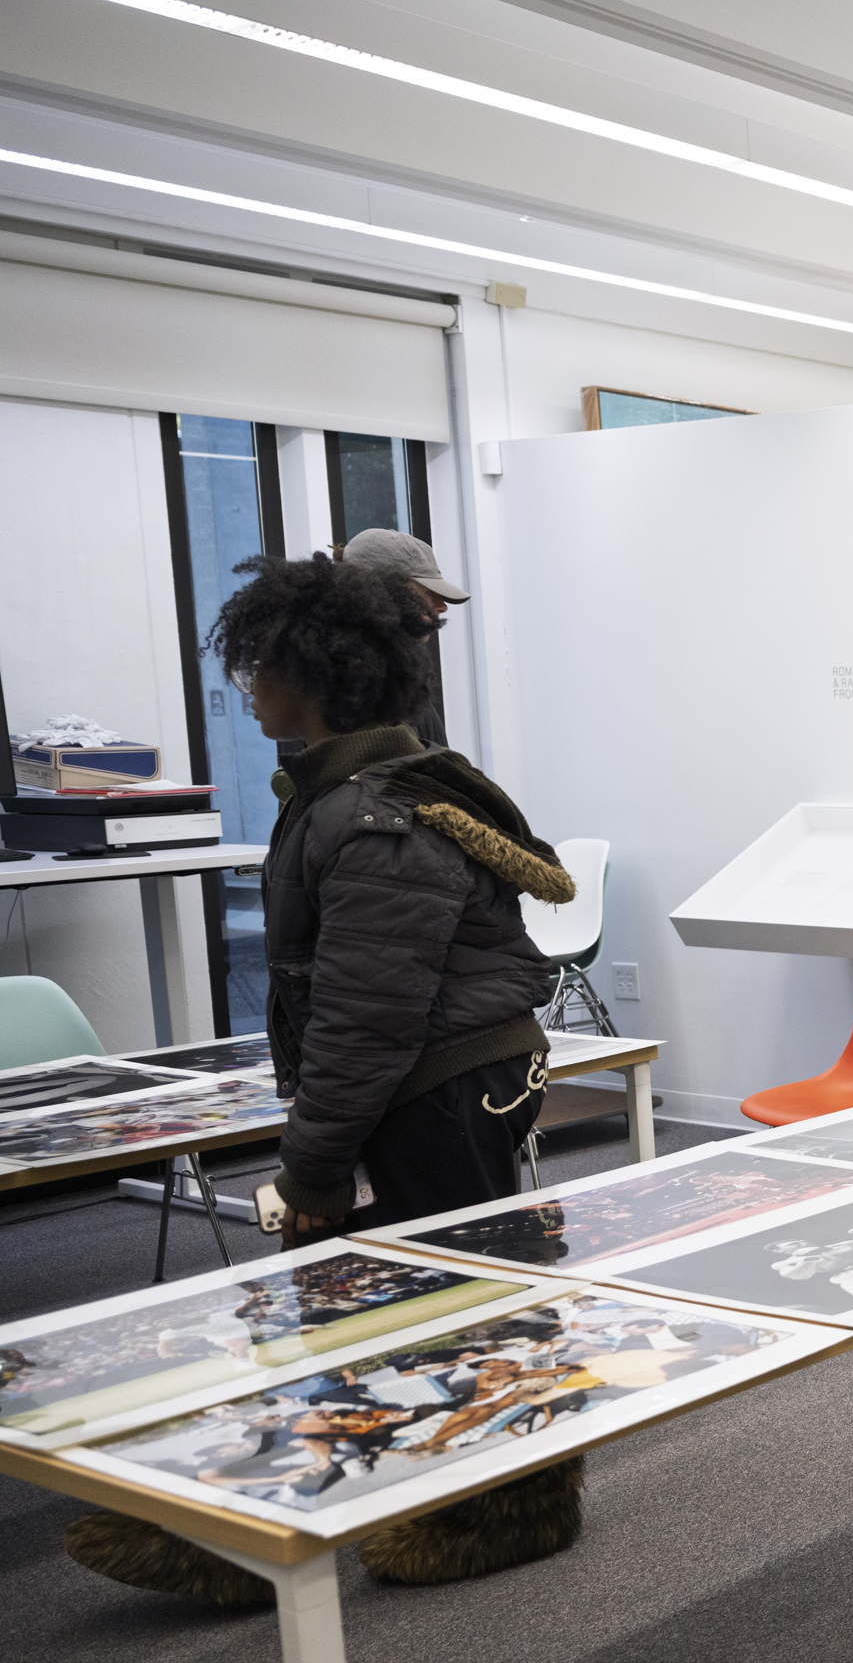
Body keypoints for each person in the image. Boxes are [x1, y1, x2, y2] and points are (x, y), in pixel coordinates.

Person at [64, 555, 579, 1604]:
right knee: (411, 1294)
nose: (247, 685)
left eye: (262, 666)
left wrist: (310, 1169)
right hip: (437, 1081)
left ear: (321, 673)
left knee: (445, 1298)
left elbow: (365, 1017)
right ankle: (301, 1512)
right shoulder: (353, 794)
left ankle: (490, 1510)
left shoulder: (374, 816)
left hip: (438, 1087)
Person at [339, 528, 469, 748]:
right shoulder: (359, 694)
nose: (442, 606)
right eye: (428, 591)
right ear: (381, 591)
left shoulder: (397, 682)